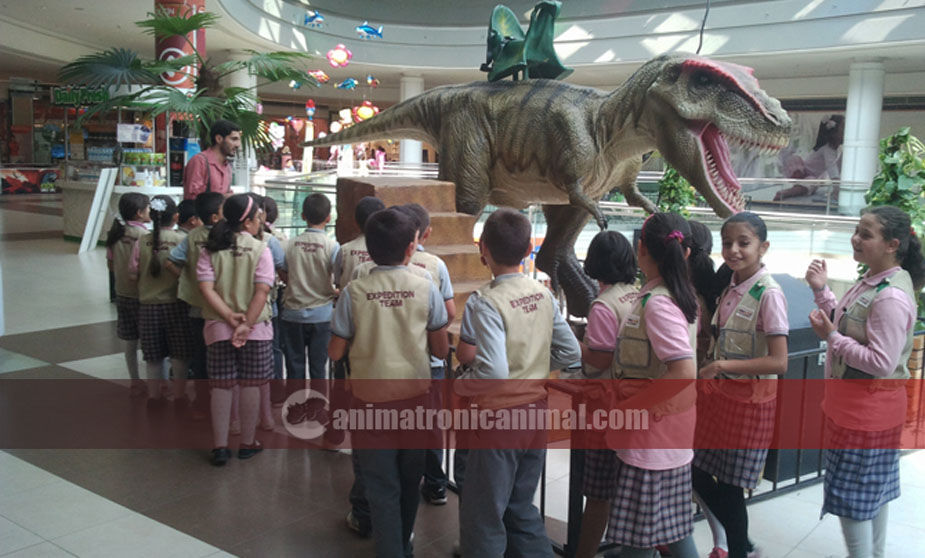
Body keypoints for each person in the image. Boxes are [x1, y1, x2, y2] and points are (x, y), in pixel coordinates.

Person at [455, 208, 581, 557]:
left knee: (484, 515)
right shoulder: (543, 294)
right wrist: (536, 369)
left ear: (483, 251)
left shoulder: (485, 302)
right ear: (529, 250)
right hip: (535, 414)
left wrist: (463, 386)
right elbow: (571, 353)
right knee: (520, 506)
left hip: (497, 421)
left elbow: (493, 372)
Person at [328, 207, 449, 558]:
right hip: (415, 401)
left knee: (381, 487)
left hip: (369, 404)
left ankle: (391, 550)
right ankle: (402, 545)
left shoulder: (353, 292)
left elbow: (335, 353)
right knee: (411, 481)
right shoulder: (426, 288)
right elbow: (440, 348)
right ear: (411, 248)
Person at [805, 205, 924, 558]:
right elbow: (848, 324)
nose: (856, 238)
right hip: (864, 411)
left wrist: (832, 338)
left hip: (866, 416)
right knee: (872, 492)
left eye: (866, 234)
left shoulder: (889, 295)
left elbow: (881, 363)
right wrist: (822, 292)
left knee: (852, 498)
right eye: (857, 230)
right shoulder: (874, 281)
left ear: (892, 244)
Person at [692, 212, 790, 558]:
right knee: (697, 472)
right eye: (727, 243)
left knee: (731, 487)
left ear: (763, 247)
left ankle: (739, 549)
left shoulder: (769, 294)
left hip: (750, 403)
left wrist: (721, 365)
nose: (733, 250)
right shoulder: (731, 287)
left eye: (743, 243)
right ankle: (743, 544)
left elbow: (780, 361)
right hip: (721, 399)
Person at [604, 213, 700, 558]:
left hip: (652, 440)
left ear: (640, 248)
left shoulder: (659, 304)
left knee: (640, 542)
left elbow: (683, 372)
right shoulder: (673, 295)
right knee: (669, 533)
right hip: (662, 436)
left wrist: (628, 410)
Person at [574, 230, 638, 558]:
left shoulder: (603, 305)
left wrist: (574, 342)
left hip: (604, 404)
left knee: (597, 493)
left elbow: (599, 357)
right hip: (633, 400)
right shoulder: (636, 293)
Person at [197, 194, 274, 466]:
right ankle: (247, 442)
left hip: (218, 327)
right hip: (255, 330)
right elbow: (261, 292)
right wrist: (245, 325)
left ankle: (219, 446)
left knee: (221, 385)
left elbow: (205, 288)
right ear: (250, 221)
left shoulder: (211, 248)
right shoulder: (260, 249)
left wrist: (229, 317)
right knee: (251, 383)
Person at [399, 203, 456, 506]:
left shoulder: (381, 264)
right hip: (430, 361)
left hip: (396, 361)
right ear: (427, 232)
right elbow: (449, 312)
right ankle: (435, 484)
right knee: (431, 424)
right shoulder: (435, 265)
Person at [129, 195, 193, 408]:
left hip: (147, 306)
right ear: (176, 217)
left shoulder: (141, 240)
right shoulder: (181, 240)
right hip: (176, 304)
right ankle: (179, 395)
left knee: (153, 355)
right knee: (179, 353)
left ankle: (154, 397)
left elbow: (132, 273)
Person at [166, 192, 225, 420]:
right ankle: (220, 403)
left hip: (196, 307)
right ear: (214, 217)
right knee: (219, 358)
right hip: (220, 308)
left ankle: (202, 402)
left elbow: (170, 260)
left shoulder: (192, 236)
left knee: (199, 356)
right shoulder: (226, 236)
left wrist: (187, 279)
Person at [279, 193, 339, 404]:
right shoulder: (332, 247)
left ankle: (294, 409)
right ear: (329, 218)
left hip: (292, 313)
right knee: (318, 367)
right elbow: (338, 277)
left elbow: (284, 274)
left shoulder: (290, 244)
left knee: (294, 365)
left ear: (303, 215)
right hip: (321, 315)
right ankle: (318, 407)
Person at [105, 192, 150, 398]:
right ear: (140, 213)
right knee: (149, 342)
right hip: (141, 295)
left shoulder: (115, 233)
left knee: (129, 340)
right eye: (148, 208)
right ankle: (158, 383)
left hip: (122, 293)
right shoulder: (143, 237)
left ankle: (134, 379)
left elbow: (110, 264)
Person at [774, 114, 844, 201]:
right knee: (811, 183)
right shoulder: (827, 149)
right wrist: (837, 188)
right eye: (843, 129)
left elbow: (840, 166)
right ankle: (785, 193)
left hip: (816, 176)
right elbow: (832, 168)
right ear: (833, 133)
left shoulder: (838, 150)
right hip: (803, 173)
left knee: (814, 183)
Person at [183, 119, 241, 200]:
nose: (238, 144)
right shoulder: (199, 161)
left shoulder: (227, 167)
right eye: (234, 139)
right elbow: (192, 196)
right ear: (219, 139)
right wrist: (223, 198)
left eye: (238, 140)